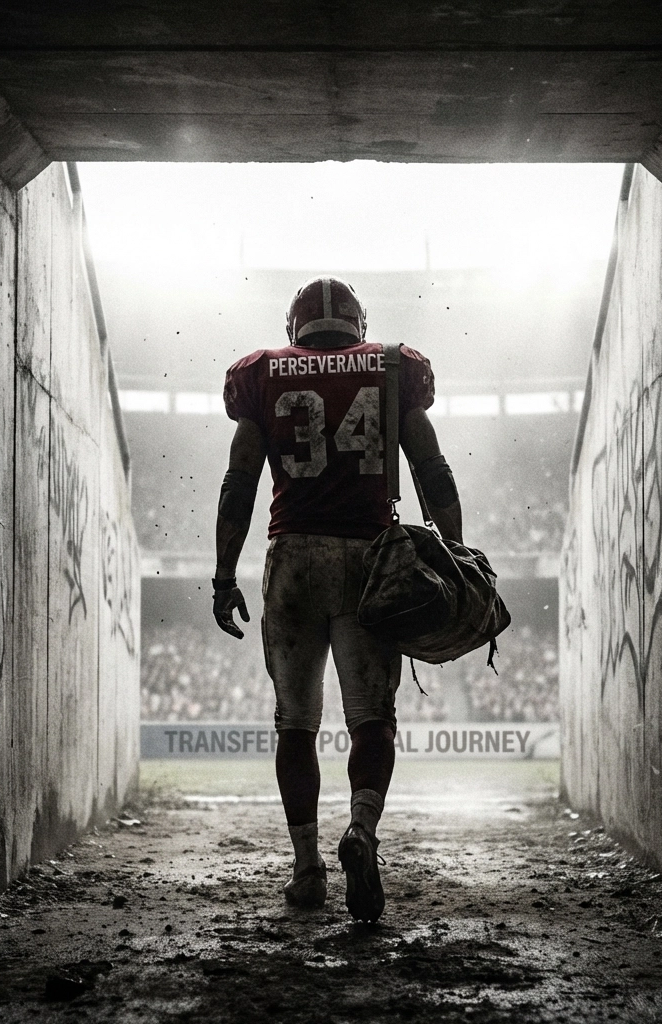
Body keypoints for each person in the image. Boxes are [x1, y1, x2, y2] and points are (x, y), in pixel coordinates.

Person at [212, 276, 463, 923]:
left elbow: (239, 482)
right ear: (359, 324)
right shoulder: (392, 367)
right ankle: (361, 831)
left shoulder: (262, 373)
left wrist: (223, 573)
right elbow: (432, 472)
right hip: (370, 558)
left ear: (293, 327)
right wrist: (456, 552)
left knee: (295, 723)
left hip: (294, 556)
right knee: (371, 718)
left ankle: (306, 869)